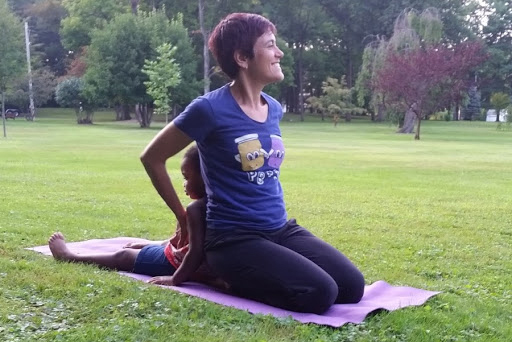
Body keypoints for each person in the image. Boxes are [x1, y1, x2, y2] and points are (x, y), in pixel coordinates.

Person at [139, 13, 364, 314]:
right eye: (271, 45)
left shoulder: (272, 108)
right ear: (243, 57)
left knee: (351, 287)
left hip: (280, 229)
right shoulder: (208, 109)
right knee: (319, 293)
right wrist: (182, 216)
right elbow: (152, 158)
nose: (280, 53)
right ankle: (220, 278)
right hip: (233, 239)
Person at [48, 145, 222, 288]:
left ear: (205, 177)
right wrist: (155, 244)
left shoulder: (195, 209)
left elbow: (195, 251)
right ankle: (152, 247)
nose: (184, 184)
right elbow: (187, 240)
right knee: (142, 249)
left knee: (123, 256)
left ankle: (69, 256)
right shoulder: (219, 204)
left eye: (187, 177)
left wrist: (175, 279)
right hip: (181, 257)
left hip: (175, 264)